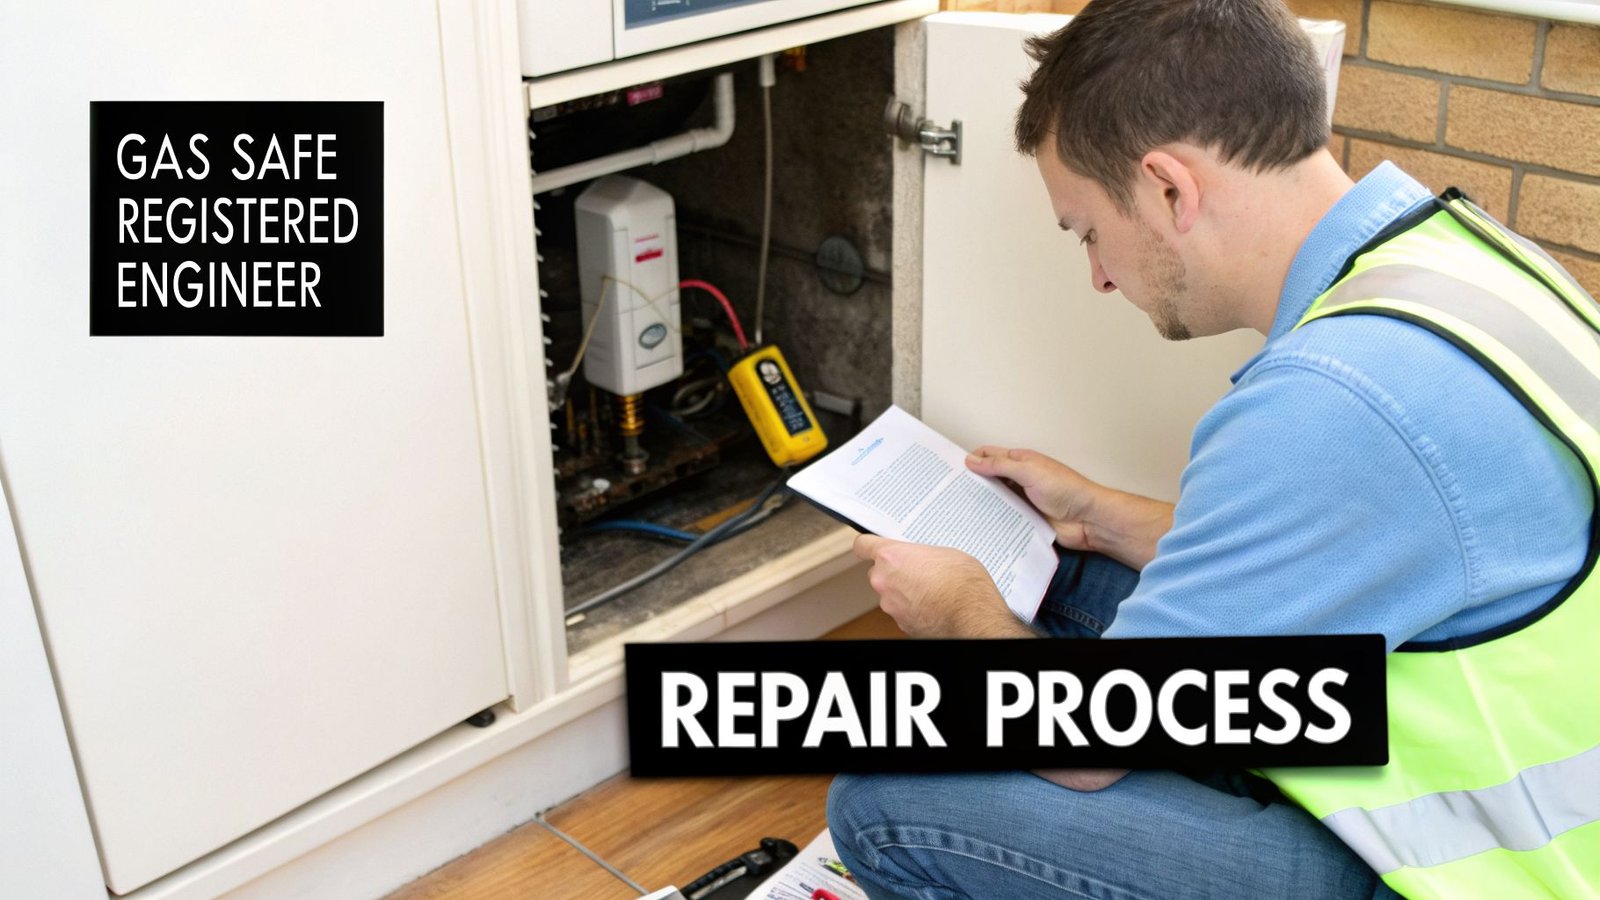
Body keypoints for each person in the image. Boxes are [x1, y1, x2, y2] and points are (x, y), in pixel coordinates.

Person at [828, 0, 1600, 896]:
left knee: (886, 799)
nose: (1100, 274)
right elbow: (1378, 545)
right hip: (1472, 746)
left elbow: (1087, 753)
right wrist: (1109, 519)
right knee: (1072, 583)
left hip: (1487, 870)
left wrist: (961, 615)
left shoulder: (1331, 403)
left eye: (1088, 232)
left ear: (1168, 187)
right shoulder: (1460, 254)